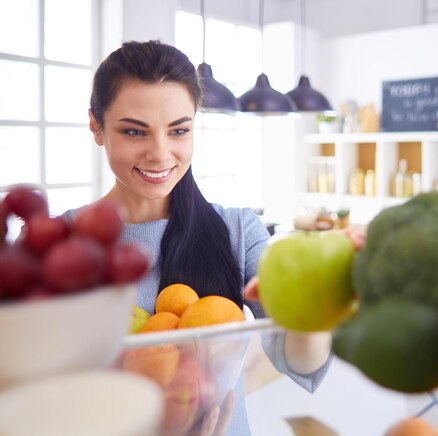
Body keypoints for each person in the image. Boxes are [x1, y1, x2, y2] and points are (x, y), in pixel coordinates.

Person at [65, 40, 336, 436]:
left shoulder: (236, 231)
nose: (160, 154)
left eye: (179, 130)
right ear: (96, 126)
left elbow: (302, 361)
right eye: (135, 131)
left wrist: (312, 311)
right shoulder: (61, 241)